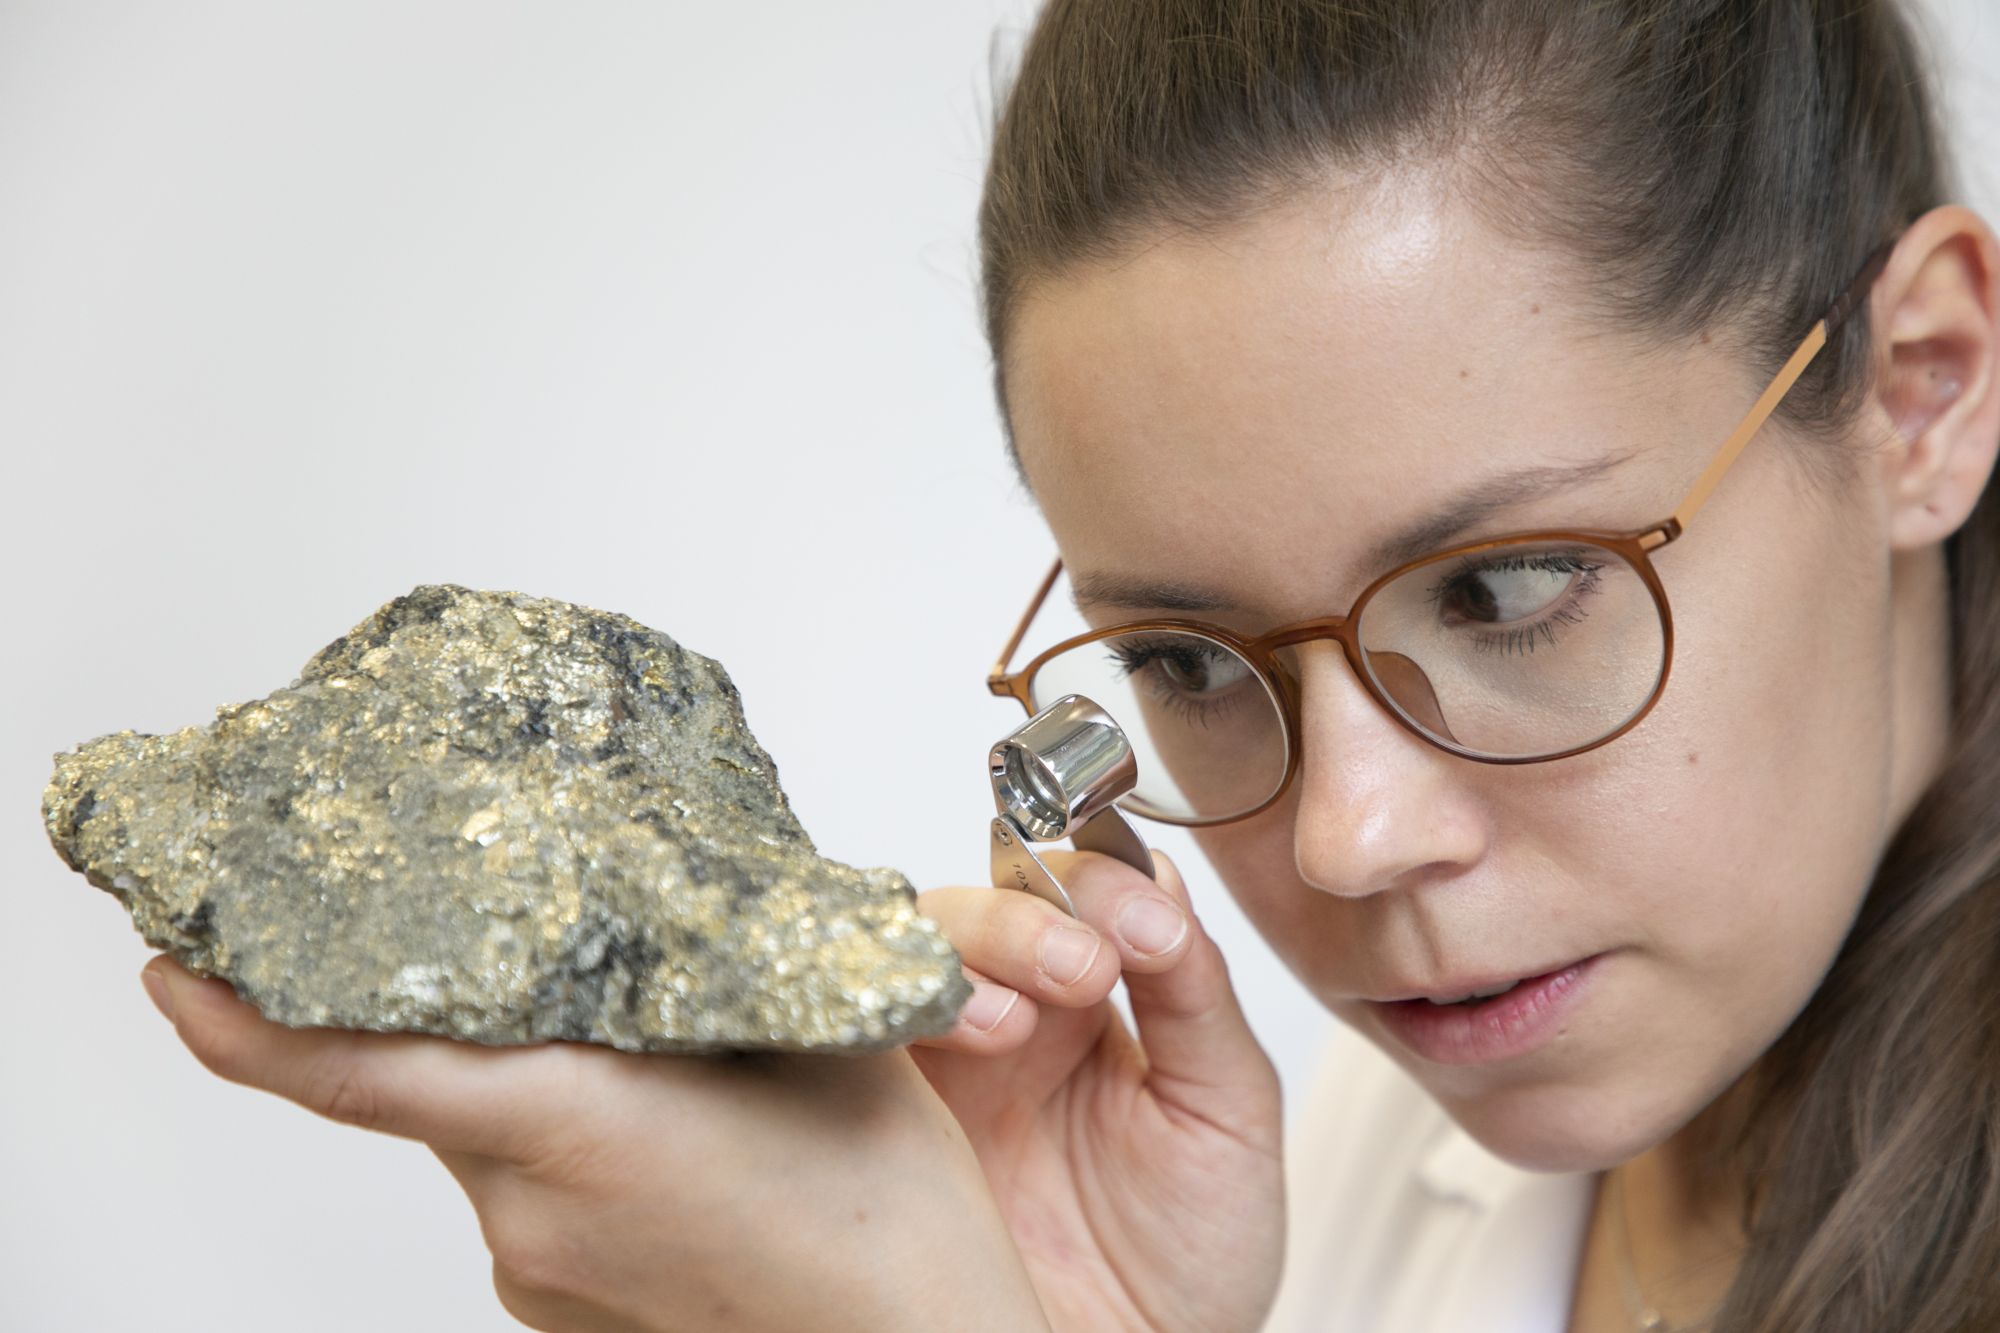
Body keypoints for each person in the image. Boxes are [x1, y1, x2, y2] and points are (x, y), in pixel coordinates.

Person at [137, 1, 2000, 1330]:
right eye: (1188, 655)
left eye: (1508, 589)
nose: (1346, 837)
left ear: (1922, 387)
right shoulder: (1353, 1167)